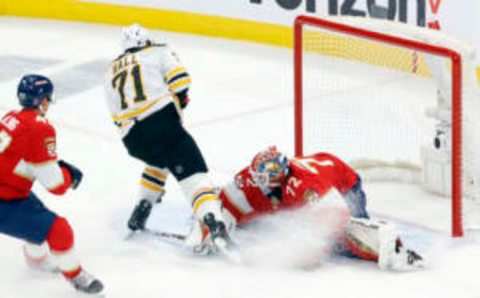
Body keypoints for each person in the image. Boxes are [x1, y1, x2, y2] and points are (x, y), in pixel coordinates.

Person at [189, 146, 424, 270]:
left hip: (344, 186)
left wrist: (308, 250)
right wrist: (211, 230)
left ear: (279, 175)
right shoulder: (254, 179)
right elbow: (225, 202)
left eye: (266, 177)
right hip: (311, 186)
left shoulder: (304, 187)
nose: (258, 181)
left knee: (342, 242)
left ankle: (394, 250)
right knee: (260, 222)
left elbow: (334, 219)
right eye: (257, 175)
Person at [104, 24, 230, 249]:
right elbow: (181, 82)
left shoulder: (111, 70)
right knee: (194, 176)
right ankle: (214, 223)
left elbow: (115, 115)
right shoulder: (159, 51)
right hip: (161, 124)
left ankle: (142, 207)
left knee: (159, 160)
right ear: (146, 41)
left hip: (132, 139)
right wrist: (179, 102)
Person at [0, 74, 103, 294]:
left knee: (35, 210)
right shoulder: (40, 128)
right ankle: (76, 277)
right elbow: (55, 185)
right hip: (5, 201)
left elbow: (17, 158)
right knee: (60, 230)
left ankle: (36, 259)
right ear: (43, 100)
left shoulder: (10, 117)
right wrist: (68, 175)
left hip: (10, 191)